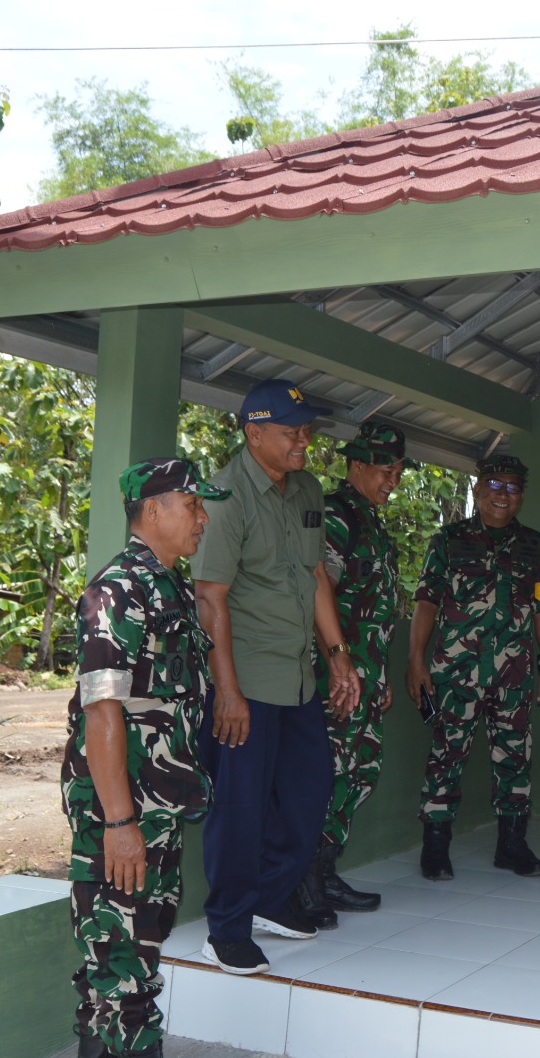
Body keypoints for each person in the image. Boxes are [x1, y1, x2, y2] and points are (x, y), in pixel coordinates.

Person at [191, 379, 360, 976]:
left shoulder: (307, 489)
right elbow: (211, 599)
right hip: (246, 680)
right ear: (253, 433)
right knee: (239, 807)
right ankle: (227, 927)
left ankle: (267, 898)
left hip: (298, 677)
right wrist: (228, 691)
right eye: (292, 431)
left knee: (309, 794)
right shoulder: (226, 496)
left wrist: (337, 653)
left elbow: (314, 574)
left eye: (307, 430)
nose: (303, 441)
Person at [63, 458, 231, 1058]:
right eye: (193, 505)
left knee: (130, 958)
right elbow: (101, 711)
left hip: (155, 807)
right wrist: (118, 822)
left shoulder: (170, 584)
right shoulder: (117, 590)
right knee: (121, 968)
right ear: (153, 509)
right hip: (123, 809)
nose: (202, 519)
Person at [406, 453, 540, 881]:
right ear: (477, 490)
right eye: (493, 485)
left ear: (521, 496)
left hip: (514, 674)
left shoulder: (536, 546)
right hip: (457, 672)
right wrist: (415, 660)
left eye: (511, 488)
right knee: (445, 755)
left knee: (515, 757)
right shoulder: (447, 541)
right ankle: (435, 847)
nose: (501, 495)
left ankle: (512, 845)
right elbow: (426, 603)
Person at [293, 421, 408, 922]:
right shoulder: (337, 517)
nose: (393, 481)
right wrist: (341, 666)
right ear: (357, 465)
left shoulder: (371, 520)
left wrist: (377, 676)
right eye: (386, 470)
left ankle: (324, 868)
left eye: (399, 471)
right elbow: (321, 595)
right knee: (331, 774)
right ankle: (303, 882)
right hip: (335, 679)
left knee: (360, 772)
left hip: (363, 677)